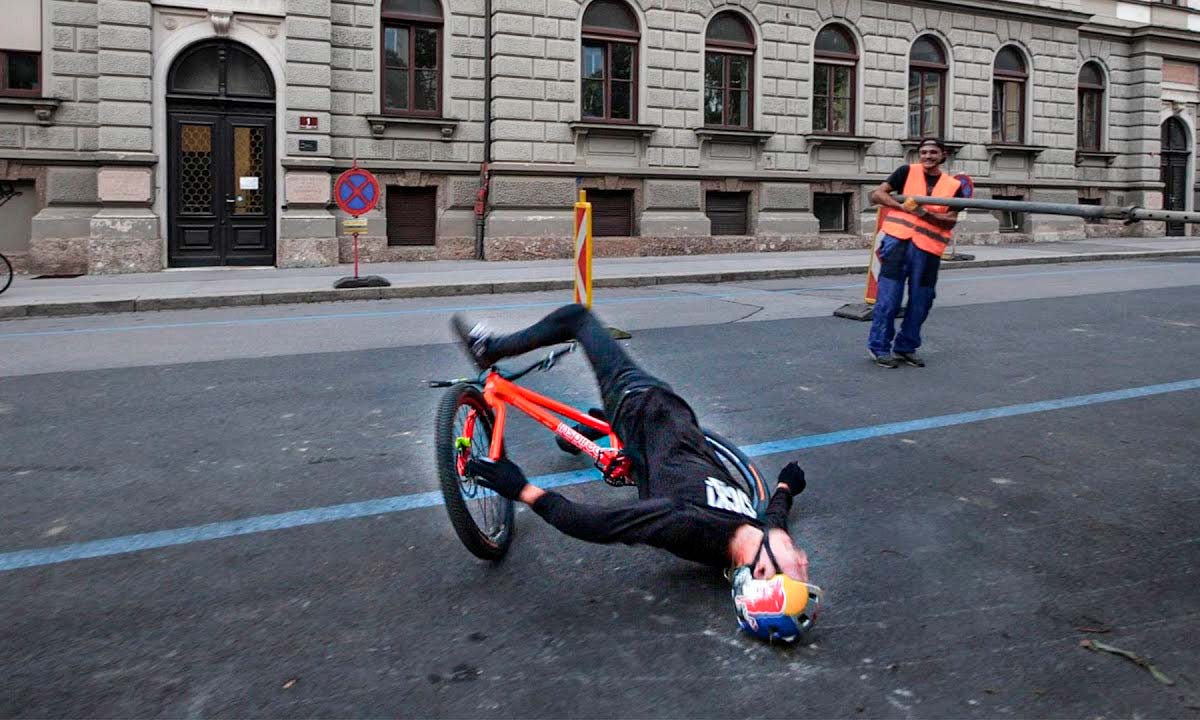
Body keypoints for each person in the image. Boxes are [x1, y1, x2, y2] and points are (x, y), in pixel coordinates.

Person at [451, 305, 820, 642]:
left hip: (638, 401)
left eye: (797, 573)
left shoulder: (688, 524)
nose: (804, 562)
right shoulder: (762, 534)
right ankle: (594, 430)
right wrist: (787, 486)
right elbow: (775, 516)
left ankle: (490, 349)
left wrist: (521, 489)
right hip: (673, 418)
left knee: (577, 318)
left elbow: (593, 523)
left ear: (760, 573)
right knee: (620, 437)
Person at [867, 137, 965, 369]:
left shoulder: (953, 186)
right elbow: (876, 195)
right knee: (888, 301)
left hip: (928, 251)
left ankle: (905, 347)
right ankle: (879, 347)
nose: (927, 156)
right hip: (897, 244)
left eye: (933, 152)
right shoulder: (905, 172)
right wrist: (899, 205)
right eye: (923, 152)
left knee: (921, 302)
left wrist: (923, 214)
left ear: (943, 155)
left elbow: (949, 221)